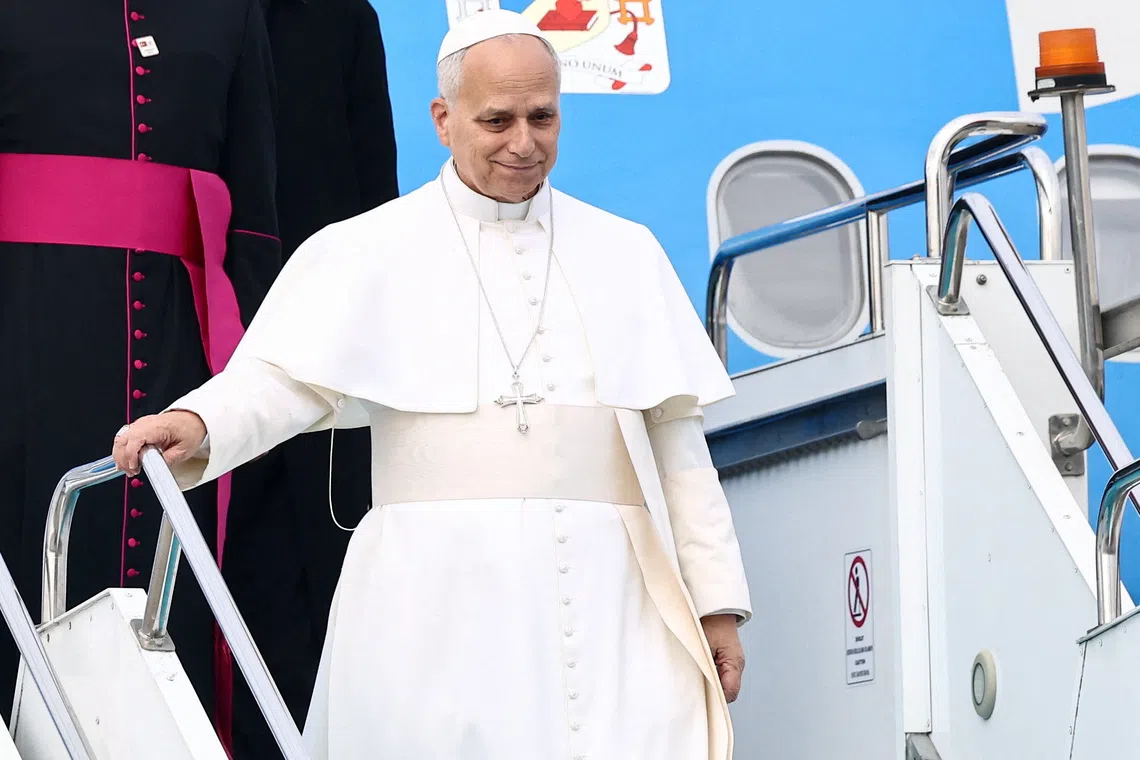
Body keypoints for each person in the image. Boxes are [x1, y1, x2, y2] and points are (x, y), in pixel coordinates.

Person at [112, 9, 752, 760]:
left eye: (543, 117)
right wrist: (199, 422)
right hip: (433, 601)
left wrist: (717, 607)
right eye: (497, 119)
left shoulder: (626, 251)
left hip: (616, 596)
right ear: (443, 120)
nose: (524, 142)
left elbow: (679, 445)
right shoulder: (365, 249)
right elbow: (281, 382)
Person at [0, 0, 281, 738]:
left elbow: (252, 210)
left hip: (175, 338)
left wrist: (247, 357)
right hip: (25, 324)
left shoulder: (229, 13)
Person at [221, 1, 399, 757]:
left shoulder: (340, 16)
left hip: (325, 357)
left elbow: (376, 194)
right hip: (203, 337)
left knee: (327, 584)